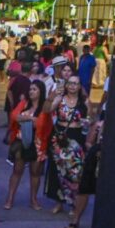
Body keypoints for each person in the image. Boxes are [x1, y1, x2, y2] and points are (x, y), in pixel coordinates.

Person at [44, 76, 89, 215]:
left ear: (80, 86)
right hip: (60, 136)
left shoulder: (85, 101)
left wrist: (87, 123)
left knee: (75, 171)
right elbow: (46, 110)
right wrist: (50, 97)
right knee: (58, 170)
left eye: (76, 83)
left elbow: (93, 117)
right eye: (70, 83)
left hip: (76, 138)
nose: (72, 86)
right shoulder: (60, 99)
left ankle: (75, 204)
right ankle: (59, 202)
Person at [4, 80, 52, 211]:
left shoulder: (44, 107)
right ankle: (10, 198)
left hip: (38, 144)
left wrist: (24, 118)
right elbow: (14, 117)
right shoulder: (24, 103)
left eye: (35, 89)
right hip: (21, 142)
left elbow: (40, 124)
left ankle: (33, 200)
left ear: (41, 91)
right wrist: (30, 119)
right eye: (30, 89)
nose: (31, 91)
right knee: (17, 170)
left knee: (35, 173)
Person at [67, 116, 104, 228]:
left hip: (113, 157)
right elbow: (88, 142)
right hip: (95, 156)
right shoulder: (101, 121)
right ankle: (75, 219)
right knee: (84, 188)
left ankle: (103, 225)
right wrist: (96, 150)